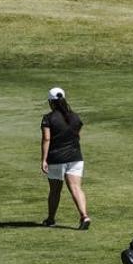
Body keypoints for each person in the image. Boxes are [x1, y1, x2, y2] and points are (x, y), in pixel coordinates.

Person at [40, 86, 89, 229]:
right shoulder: (75, 117)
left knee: (55, 190)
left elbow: (46, 139)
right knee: (76, 187)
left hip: (56, 158)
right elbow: (77, 134)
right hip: (75, 156)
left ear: (51, 102)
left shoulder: (48, 118)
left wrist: (43, 159)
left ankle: (50, 219)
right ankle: (84, 216)